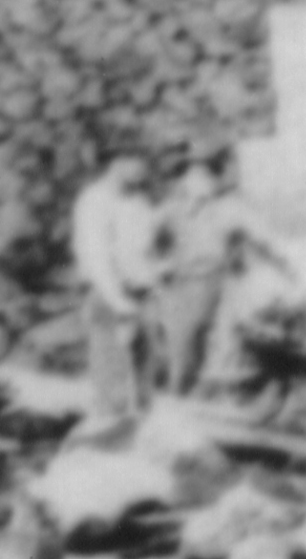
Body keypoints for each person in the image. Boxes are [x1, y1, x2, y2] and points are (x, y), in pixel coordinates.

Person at [150, 151, 282, 397]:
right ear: (183, 181)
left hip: (216, 280)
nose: (199, 182)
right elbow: (145, 243)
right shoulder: (170, 210)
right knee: (183, 348)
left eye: (205, 175)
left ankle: (216, 393)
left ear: (214, 178)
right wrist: (159, 267)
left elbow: (263, 240)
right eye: (192, 175)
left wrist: (284, 266)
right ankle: (179, 395)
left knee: (224, 341)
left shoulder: (229, 208)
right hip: (181, 285)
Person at [66, 152, 161, 427]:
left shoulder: (139, 201)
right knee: (112, 383)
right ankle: (109, 431)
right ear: (116, 162)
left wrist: (155, 279)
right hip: (110, 296)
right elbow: (96, 259)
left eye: (144, 164)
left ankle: (142, 434)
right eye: (135, 162)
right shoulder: (94, 200)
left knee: (144, 383)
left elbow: (147, 249)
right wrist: (119, 302)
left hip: (143, 294)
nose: (142, 170)